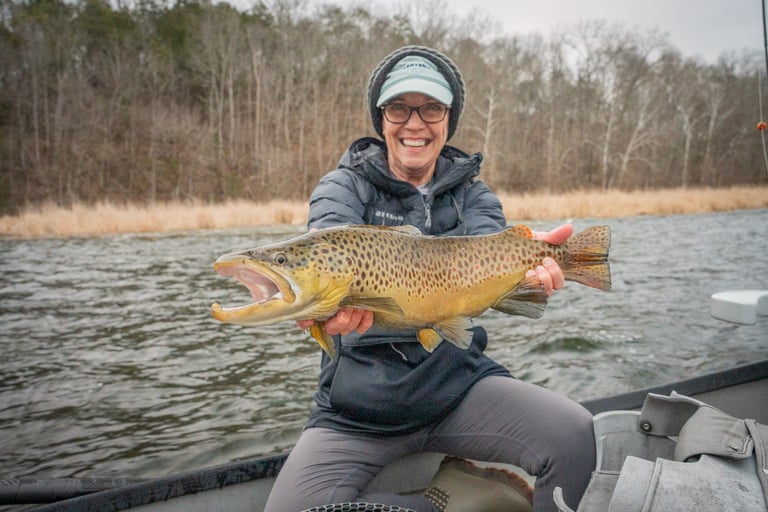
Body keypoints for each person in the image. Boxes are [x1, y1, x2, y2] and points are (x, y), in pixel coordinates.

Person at [263, 45, 595, 512]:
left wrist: (534, 270)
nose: (414, 123)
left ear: (448, 119)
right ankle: (448, 501)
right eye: (399, 107)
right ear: (381, 119)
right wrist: (321, 308)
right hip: (360, 412)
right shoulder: (343, 186)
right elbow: (325, 239)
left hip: (458, 388)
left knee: (575, 434)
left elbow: (491, 252)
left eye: (431, 108)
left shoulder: (475, 195)